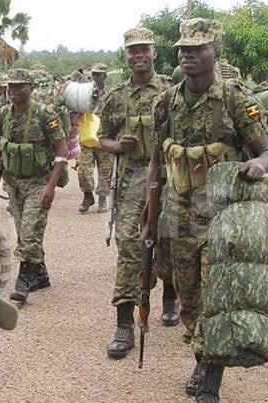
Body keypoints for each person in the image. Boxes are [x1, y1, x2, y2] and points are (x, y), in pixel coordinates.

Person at [142, 18, 268, 402]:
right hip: (180, 214)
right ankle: (203, 355)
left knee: (219, 297)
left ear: (216, 52)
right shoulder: (166, 102)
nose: (188, 55)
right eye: (183, 49)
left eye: (197, 49)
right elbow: (156, 163)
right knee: (190, 299)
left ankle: (210, 383)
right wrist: (150, 218)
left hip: (224, 216)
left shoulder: (236, 100)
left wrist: (259, 164)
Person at [99, 27, 180, 360]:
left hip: (170, 176)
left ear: (154, 52)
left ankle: (171, 296)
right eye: (133, 50)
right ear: (127, 55)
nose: (139, 55)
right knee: (130, 245)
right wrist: (117, 145)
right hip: (133, 177)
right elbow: (102, 137)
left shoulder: (172, 91)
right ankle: (124, 324)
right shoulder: (116, 96)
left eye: (144, 49)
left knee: (170, 242)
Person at [0, 68, 70, 304]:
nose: (13, 91)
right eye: (10, 86)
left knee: (29, 232)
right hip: (13, 183)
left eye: (19, 86)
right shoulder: (2, 114)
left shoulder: (45, 114)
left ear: (30, 88)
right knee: (25, 232)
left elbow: (62, 149)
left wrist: (51, 186)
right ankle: (40, 274)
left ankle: (23, 281)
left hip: (38, 182)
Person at [76, 62, 114, 213]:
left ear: (105, 76)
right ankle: (88, 196)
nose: (96, 77)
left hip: (105, 137)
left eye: (99, 74)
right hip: (87, 137)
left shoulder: (112, 93)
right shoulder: (85, 92)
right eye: (94, 74)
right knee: (83, 169)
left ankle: (102, 199)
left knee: (105, 171)